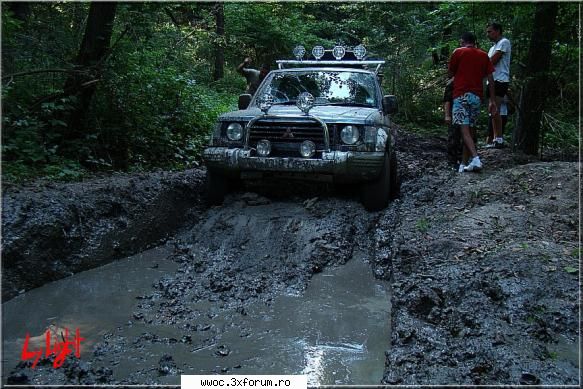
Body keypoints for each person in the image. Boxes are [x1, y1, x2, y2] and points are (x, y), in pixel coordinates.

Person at [448, 32, 496, 172]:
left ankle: (476, 159)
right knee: (470, 131)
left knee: (464, 130)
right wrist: (492, 100)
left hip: (461, 94)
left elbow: (450, 73)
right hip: (477, 96)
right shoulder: (483, 55)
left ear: (463, 41)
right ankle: (464, 164)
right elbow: (490, 79)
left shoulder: (458, 52)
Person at [485, 22, 512, 148]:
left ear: (497, 31)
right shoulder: (492, 47)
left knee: (495, 109)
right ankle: (495, 138)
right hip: (491, 81)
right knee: (492, 110)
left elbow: (491, 62)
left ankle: (499, 139)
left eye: (490, 31)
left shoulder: (504, 42)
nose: (488, 34)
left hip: (500, 80)